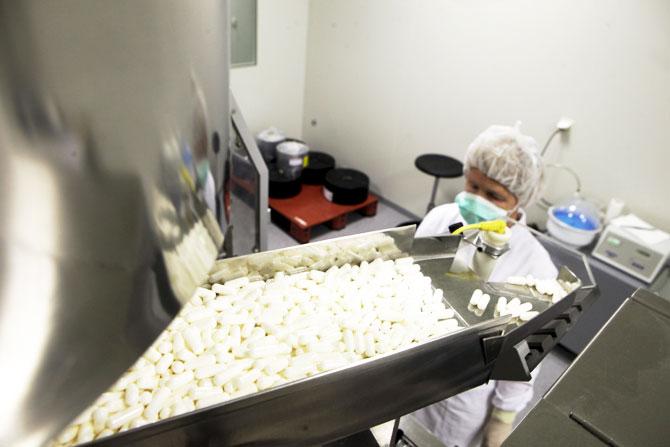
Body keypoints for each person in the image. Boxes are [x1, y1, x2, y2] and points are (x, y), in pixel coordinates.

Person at [412, 123, 558, 447]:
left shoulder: (536, 268)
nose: (477, 199)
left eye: (493, 195)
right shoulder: (440, 218)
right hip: (412, 365)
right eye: (473, 185)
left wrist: (502, 420)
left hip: (463, 397)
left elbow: (523, 354)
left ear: (518, 203)